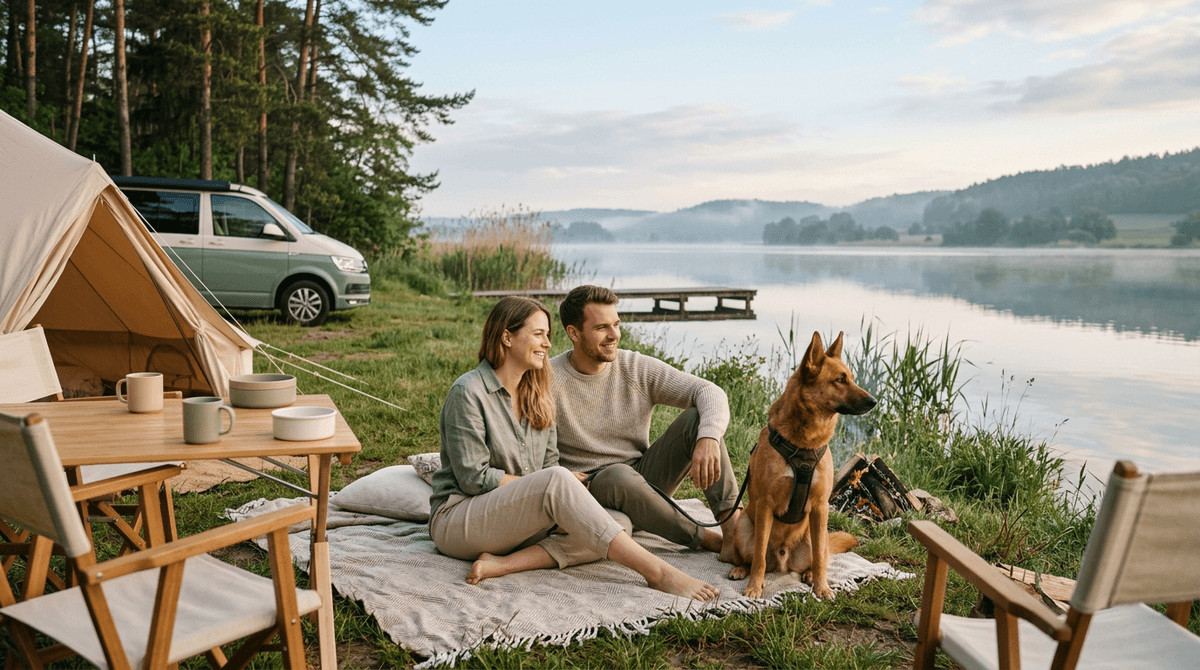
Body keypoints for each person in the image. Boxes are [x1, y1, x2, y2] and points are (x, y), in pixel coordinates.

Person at [428, 295, 719, 600]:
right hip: (461, 519)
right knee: (558, 481)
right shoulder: (468, 392)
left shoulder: (537, 393)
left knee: (617, 523)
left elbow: (549, 463)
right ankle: (658, 572)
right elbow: (473, 479)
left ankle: (503, 563)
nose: (548, 344)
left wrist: (564, 495)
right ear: (507, 337)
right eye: (538, 334)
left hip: (515, 520)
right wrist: (550, 486)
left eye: (549, 336)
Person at [550, 285, 741, 559]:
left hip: (645, 481)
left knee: (697, 419)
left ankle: (734, 533)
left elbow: (709, 391)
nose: (614, 334)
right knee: (617, 474)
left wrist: (708, 437)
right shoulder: (548, 378)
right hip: (591, 492)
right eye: (602, 327)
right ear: (573, 333)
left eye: (616, 324)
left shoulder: (634, 367)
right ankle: (706, 539)